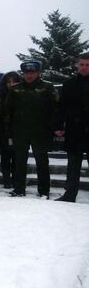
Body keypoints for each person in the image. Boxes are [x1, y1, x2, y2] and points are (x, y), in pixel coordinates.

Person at [5, 61, 58, 198]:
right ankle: (19, 189)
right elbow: (8, 110)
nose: (29, 75)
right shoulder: (15, 89)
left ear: (38, 73)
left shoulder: (47, 87)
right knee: (19, 161)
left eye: (32, 72)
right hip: (20, 131)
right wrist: (9, 129)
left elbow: (54, 109)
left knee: (42, 161)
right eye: (26, 73)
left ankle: (44, 190)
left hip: (40, 131)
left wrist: (53, 127)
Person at [55, 53, 89, 202]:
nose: (84, 67)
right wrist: (59, 125)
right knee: (73, 165)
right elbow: (61, 107)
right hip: (74, 129)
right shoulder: (69, 84)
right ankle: (70, 195)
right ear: (77, 65)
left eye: (87, 65)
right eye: (82, 64)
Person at [0, 71, 21, 188]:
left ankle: (16, 180)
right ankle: (6, 180)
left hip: (18, 130)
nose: (11, 84)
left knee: (17, 157)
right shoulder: (0, 94)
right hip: (4, 130)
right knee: (5, 156)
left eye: (14, 82)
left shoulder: (22, 94)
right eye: (9, 82)